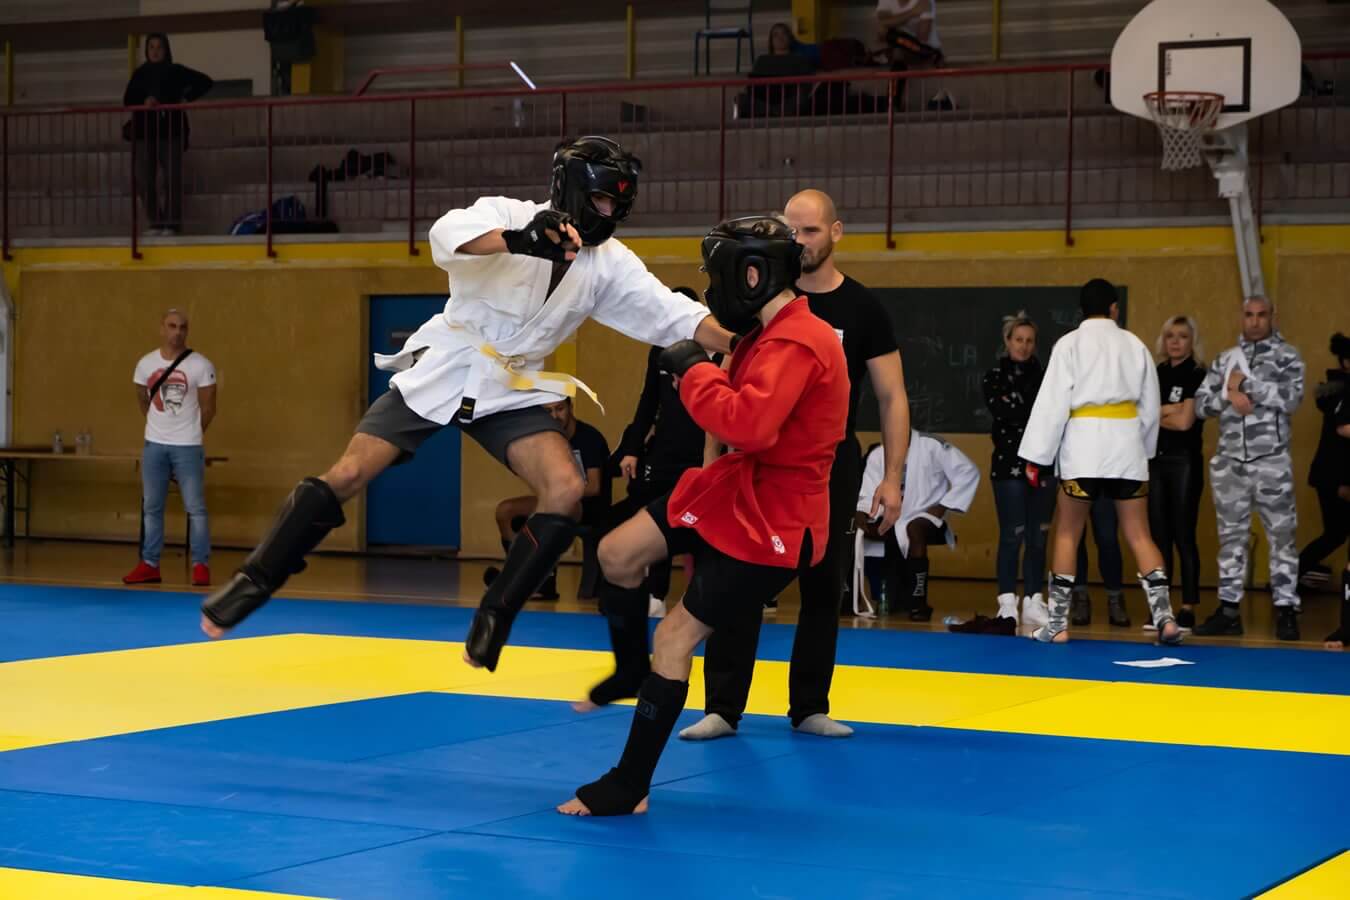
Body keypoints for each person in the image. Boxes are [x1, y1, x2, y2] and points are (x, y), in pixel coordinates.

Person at [198, 137, 734, 669]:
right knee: (350, 471)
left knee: (566, 488)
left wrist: (749, 344)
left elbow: (674, 315)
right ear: (570, 189)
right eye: (600, 201)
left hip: (510, 383)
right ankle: (253, 580)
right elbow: (446, 235)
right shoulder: (508, 213)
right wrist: (515, 240)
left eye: (617, 205)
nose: (608, 213)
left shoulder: (610, 263)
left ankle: (497, 611)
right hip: (449, 362)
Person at [556, 215, 848, 817]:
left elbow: (749, 422)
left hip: (775, 523)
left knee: (676, 635)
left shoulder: (799, 340)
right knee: (616, 551)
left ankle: (629, 785)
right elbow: (733, 426)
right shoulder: (767, 334)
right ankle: (631, 669)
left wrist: (692, 370)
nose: (711, 291)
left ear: (749, 274)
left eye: (715, 277)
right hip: (733, 489)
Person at [680, 189, 910, 743]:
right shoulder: (754, 304)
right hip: (754, 459)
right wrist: (711, 457)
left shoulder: (862, 309)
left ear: (836, 232)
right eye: (792, 231)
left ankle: (809, 703)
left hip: (826, 463)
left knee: (822, 582)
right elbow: (728, 386)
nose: (799, 241)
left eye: (809, 231)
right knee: (737, 576)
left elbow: (892, 396)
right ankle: (723, 705)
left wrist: (893, 476)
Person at [1017, 278, 1183, 645]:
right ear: (1114, 308)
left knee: (1066, 531)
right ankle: (1165, 618)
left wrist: (1036, 457)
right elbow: (1150, 406)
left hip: (1084, 444)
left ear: (1082, 310)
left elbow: (1051, 404)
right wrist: (1144, 449)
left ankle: (1057, 624)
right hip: (1125, 444)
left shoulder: (1069, 344)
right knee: (1139, 533)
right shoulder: (1135, 345)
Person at [1193, 296, 1305, 641]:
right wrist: (1227, 395)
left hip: (1271, 461)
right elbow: (1199, 405)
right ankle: (1229, 611)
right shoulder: (1225, 359)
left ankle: (1286, 609)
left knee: (1282, 538)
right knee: (1231, 540)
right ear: (1241, 317)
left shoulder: (1288, 357)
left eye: (1261, 315)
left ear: (1273, 316)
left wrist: (1247, 384)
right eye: (1249, 315)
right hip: (1230, 464)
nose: (1255, 321)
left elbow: (1292, 399)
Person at [609, 287, 715, 613]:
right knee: (660, 518)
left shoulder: (713, 347)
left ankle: (703, 597)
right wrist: (632, 449)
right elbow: (647, 403)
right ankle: (656, 593)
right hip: (665, 450)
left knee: (702, 526)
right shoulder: (660, 350)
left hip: (703, 451)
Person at [124, 309, 217, 588]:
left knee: (195, 507)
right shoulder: (145, 364)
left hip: (188, 446)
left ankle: (201, 564)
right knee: (151, 507)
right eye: (172, 326)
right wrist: (158, 426)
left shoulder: (201, 365)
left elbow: (210, 407)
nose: (177, 332)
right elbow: (142, 399)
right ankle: (150, 564)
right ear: (162, 328)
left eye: (183, 327)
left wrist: (192, 434)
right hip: (154, 445)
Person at [486, 397, 610, 601]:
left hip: (588, 507)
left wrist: (562, 491)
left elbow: (595, 487)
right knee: (506, 511)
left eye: (560, 409)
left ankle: (540, 583)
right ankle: (518, 576)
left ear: (571, 407)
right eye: (548, 411)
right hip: (557, 501)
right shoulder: (547, 439)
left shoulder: (589, 437)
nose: (554, 416)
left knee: (545, 517)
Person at [981, 311, 1055, 628]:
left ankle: (1034, 599)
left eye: (1029, 341)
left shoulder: (1048, 376)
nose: (1023, 347)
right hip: (1008, 464)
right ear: (1007, 341)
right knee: (1013, 534)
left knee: (1038, 536)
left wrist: (1025, 408)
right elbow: (1004, 410)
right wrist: (1029, 409)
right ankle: (1007, 601)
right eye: (1018, 340)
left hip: (1042, 463)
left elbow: (1050, 413)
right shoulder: (994, 375)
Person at [856, 432, 978, 619]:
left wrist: (943, 506)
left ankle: (918, 602)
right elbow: (867, 491)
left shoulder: (932, 446)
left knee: (914, 529)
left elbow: (968, 471)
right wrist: (863, 513)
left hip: (927, 517)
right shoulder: (879, 453)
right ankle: (859, 598)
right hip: (890, 515)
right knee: (862, 529)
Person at [1148, 315, 1208, 629]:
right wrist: (1169, 411)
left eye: (1182, 336)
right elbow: (1141, 415)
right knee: (1159, 537)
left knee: (1184, 534)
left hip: (1184, 460)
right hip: (1156, 459)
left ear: (1191, 340)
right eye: (1170, 335)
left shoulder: (1198, 373)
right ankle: (1162, 607)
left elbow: (1186, 422)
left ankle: (1187, 606)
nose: (1175, 341)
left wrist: (1158, 413)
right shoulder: (1155, 373)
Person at [122, 34, 214, 236]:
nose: (155, 51)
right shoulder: (140, 73)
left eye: (159, 47)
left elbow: (206, 82)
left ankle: (171, 224)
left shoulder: (176, 71)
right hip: (144, 134)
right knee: (144, 179)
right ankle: (156, 222)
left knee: (172, 179)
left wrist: (184, 97)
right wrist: (144, 101)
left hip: (170, 132)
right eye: (151, 47)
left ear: (166, 50)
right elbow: (128, 99)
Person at [1299, 333, 1349, 590]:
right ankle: (1293, 575)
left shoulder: (1338, 391)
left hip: (1331, 475)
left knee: (1335, 534)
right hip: (1334, 476)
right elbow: (1343, 432)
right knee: (1335, 534)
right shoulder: (1344, 391)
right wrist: (1343, 483)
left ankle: (1294, 574)